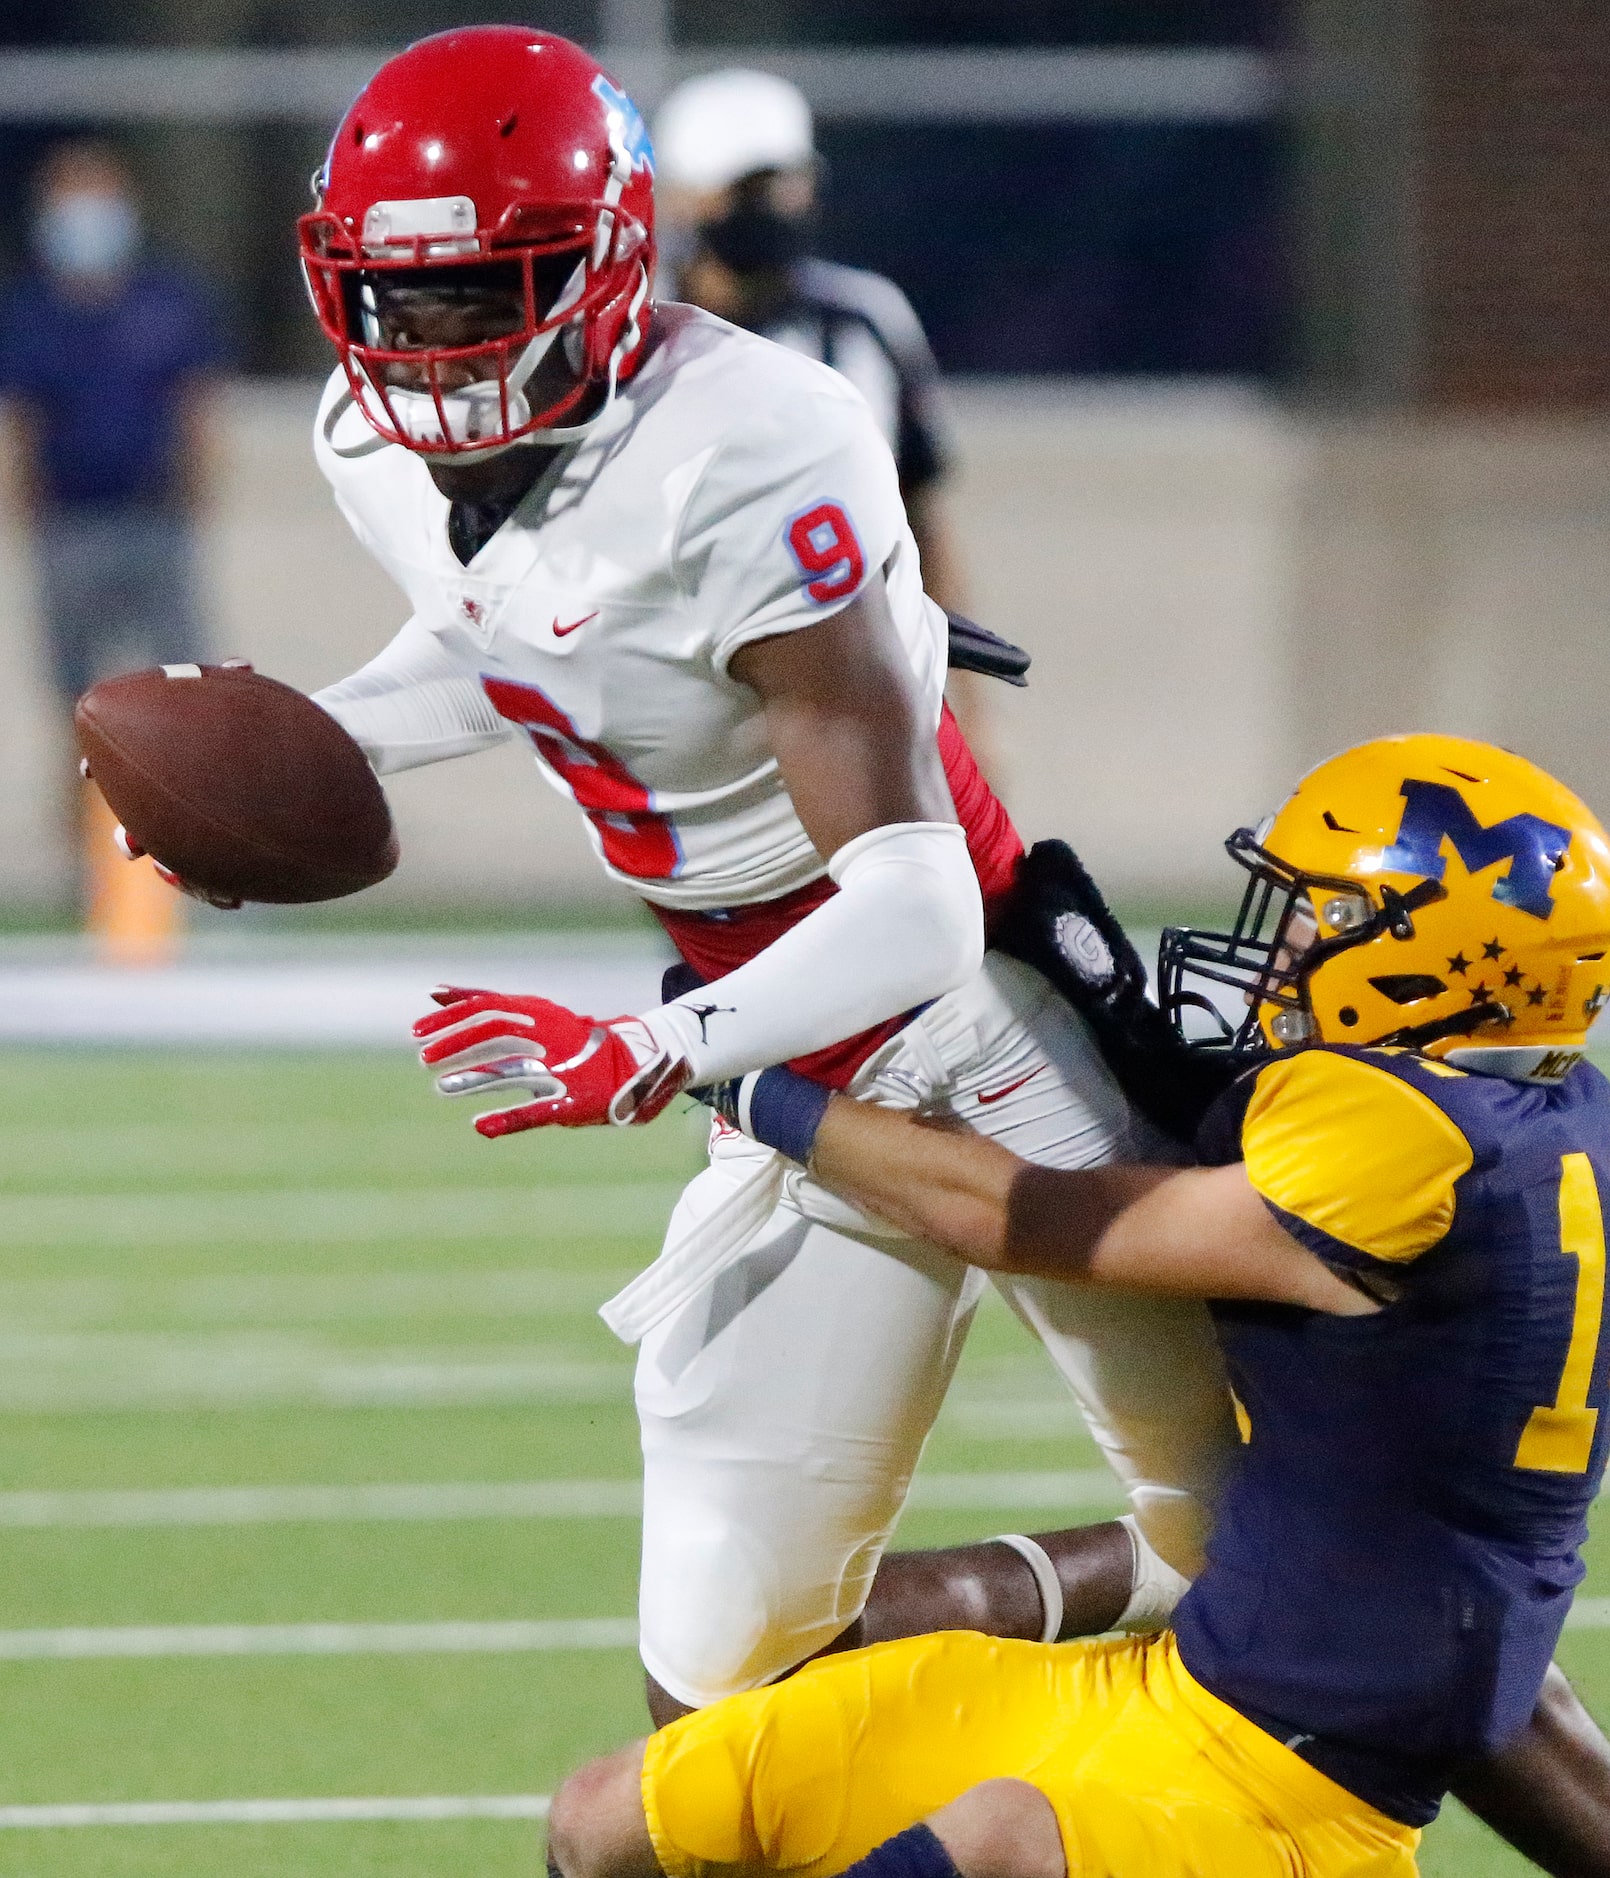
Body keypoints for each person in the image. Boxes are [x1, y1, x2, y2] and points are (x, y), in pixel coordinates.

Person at [291, 26, 1231, 1727]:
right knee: (721, 1663)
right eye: (395, 297)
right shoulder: (368, 451)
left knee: (1306, 1552)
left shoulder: (757, 439)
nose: (432, 347)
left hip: (974, 1018)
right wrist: (307, 740)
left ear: (610, 259)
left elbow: (916, 904)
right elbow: (515, 644)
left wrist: (654, 1048)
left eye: (489, 289)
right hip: (786, 1050)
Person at [545, 733, 1610, 1878]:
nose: (1281, 946)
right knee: (612, 1818)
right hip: (1186, 1687)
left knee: (993, 1846)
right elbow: (1206, 1132)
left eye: (1320, 918)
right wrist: (1097, 999)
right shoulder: (1504, 1110)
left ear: (1453, 961)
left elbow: (1035, 1218)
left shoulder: (1408, 1150)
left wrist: (746, 1077)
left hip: (1301, 1797)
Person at [0, 140, 223, 947]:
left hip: (152, 523)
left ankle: (209, 883)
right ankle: (85, 888)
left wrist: (191, 508)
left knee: (191, 715)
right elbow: (24, 422)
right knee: (78, 720)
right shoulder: (32, 310)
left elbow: (194, 407)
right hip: (72, 527)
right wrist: (33, 523)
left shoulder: (166, 300)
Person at [652, 69, 967, 618]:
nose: (768, 206)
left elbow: (920, 521)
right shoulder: (637, 327)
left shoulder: (865, 319)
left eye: (782, 183)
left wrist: (960, 691)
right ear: (680, 195)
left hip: (852, 639)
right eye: (742, 189)